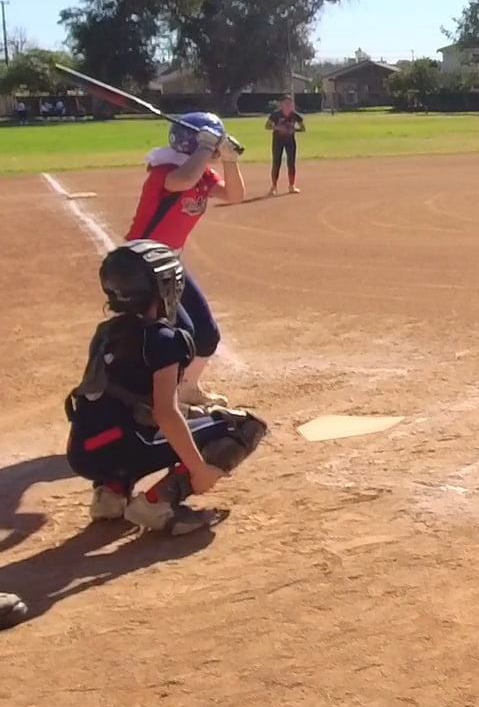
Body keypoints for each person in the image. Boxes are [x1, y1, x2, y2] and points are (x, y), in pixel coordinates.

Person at [66, 241, 269, 534]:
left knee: (122, 417)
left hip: (82, 452)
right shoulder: (163, 339)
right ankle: (157, 502)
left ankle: (111, 492)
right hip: (122, 448)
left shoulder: (106, 333)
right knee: (243, 427)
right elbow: (165, 413)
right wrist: (198, 469)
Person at [124, 113, 245, 430]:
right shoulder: (164, 171)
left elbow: (235, 196)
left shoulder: (202, 174)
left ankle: (187, 389)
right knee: (178, 336)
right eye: (214, 141)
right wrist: (205, 149)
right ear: (196, 143)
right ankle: (160, 405)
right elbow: (183, 182)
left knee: (206, 334)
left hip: (170, 263)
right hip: (143, 265)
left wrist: (229, 161)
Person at [265, 95, 305, 195]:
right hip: (277, 141)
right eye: (285, 103)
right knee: (276, 162)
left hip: (290, 141)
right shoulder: (275, 115)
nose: (288, 105)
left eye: (290, 103)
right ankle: (274, 186)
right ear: (281, 104)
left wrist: (294, 130)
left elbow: (303, 128)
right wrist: (278, 128)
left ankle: (292, 185)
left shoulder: (295, 115)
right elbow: (267, 126)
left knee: (291, 163)